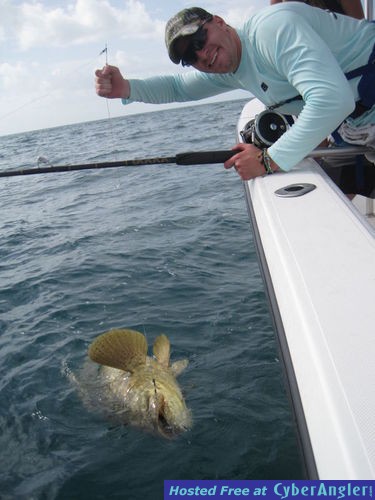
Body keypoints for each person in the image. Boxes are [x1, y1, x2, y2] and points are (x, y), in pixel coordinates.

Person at [95, 4, 375, 195]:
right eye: (190, 58)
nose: (201, 55)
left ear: (219, 22)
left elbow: (332, 99)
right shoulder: (232, 68)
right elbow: (178, 87)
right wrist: (126, 88)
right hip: (360, 124)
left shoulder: (269, 31)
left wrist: (268, 160)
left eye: (198, 41)